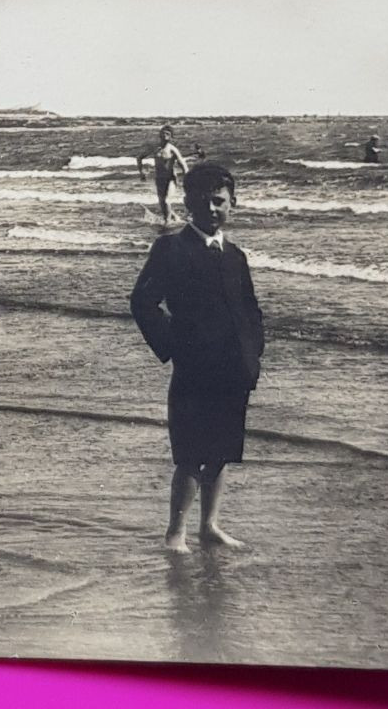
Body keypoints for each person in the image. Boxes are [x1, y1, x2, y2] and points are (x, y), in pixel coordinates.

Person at [129, 162, 264, 554]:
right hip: (193, 370)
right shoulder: (172, 248)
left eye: (219, 201)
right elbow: (143, 301)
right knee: (190, 454)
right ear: (187, 202)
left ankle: (210, 525)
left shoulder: (235, 255)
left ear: (233, 203)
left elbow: (251, 309)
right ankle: (176, 533)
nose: (212, 208)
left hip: (232, 369)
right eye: (203, 201)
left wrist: (253, 350)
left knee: (221, 451)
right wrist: (174, 343)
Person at [136, 125, 189, 224]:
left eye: (168, 134)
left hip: (170, 179)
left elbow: (183, 165)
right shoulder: (155, 148)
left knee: (167, 201)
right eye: (163, 133)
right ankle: (174, 218)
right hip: (159, 179)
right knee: (162, 203)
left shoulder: (173, 149)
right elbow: (139, 157)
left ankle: (168, 222)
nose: (165, 135)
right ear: (160, 135)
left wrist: (188, 179)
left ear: (171, 137)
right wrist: (141, 172)